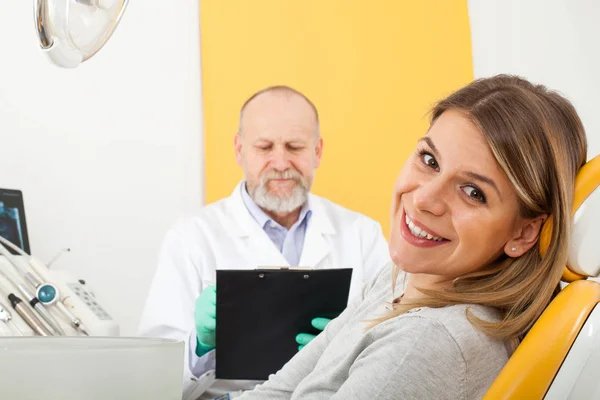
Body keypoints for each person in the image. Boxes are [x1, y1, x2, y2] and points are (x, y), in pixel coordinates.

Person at [237, 75, 588, 399]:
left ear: (524, 232)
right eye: (429, 159)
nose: (423, 199)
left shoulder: (428, 342)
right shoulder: (404, 277)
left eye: (472, 191)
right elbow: (279, 390)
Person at [137, 86, 390, 399]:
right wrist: (199, 345)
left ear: (318, 151)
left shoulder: (363, 234)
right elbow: (152, 381)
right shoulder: (191, 237)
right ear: (239, 149)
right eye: (265, 146)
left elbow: (393, 350)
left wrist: (338, 352)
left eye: (295, 147)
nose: (281, 162)